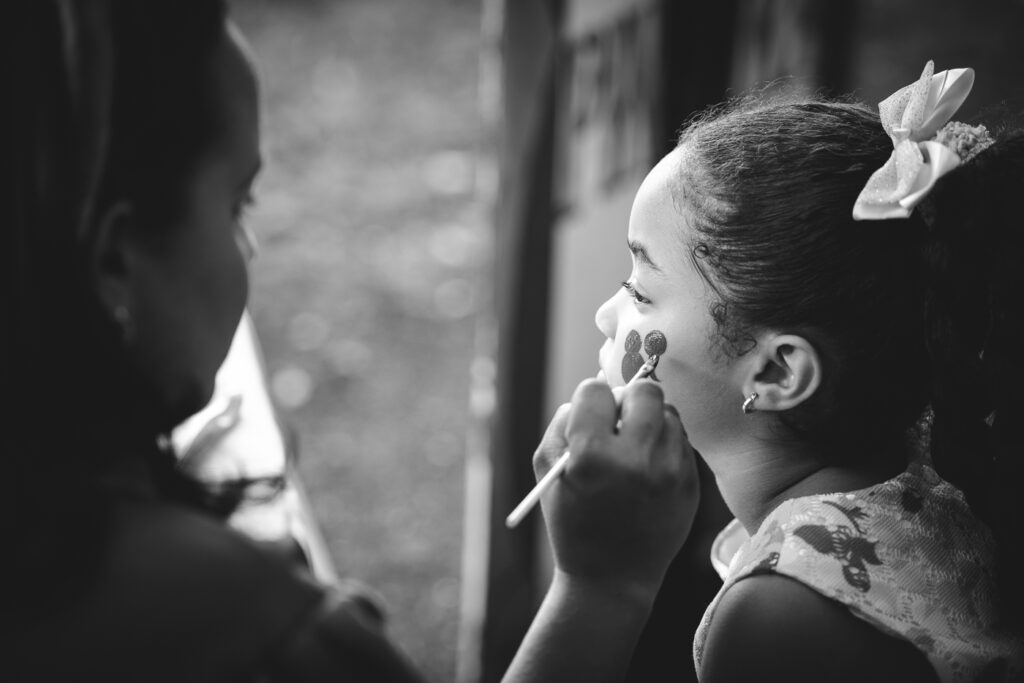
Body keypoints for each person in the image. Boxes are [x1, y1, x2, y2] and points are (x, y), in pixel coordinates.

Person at [5, 1, 699, 681]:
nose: (247, 245)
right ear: (114, 261)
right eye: (236, 204)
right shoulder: (257, 636)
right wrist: (604, 589)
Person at [588, 61, 1024, 682]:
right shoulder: (943, 463)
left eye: (640, 290)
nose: (607, 314)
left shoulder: (782, 617)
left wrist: (594, 582)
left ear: (778, 371)